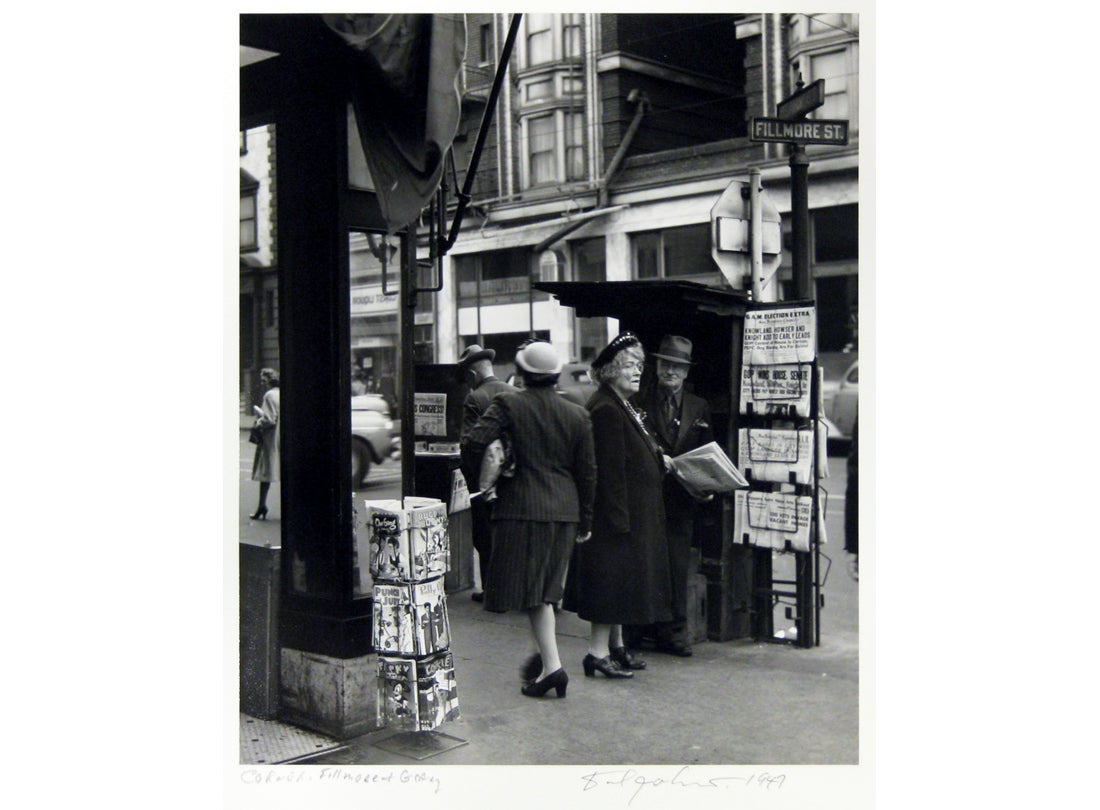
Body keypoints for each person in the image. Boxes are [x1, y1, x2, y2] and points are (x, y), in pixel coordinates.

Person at [461, 340, 596, 699]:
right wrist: (584, 522)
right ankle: (548, 663)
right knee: (545, 591)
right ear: (554, 375)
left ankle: (551, 668)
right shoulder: (577, 413)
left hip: (522, 509)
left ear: (520, 373)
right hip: (564, 512)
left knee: (536, 593)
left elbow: (474, 442)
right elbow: (587, 474)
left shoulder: (509, 403)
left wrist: (503, 459)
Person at [563, 332, 673, 680]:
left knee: (621, 584)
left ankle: (617, 646)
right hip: (617, 517)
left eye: (640, 365)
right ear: (611, 370)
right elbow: (608, 472)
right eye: (629, 365)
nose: (638, 371)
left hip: (630, 514)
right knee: (611, 586)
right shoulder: (607, 409)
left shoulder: (619, 404)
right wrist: (617, 520)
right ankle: (597, 653)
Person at [630, 335, 714, 657]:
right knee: (644, 566)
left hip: (682, 501)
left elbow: (709, 453)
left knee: (677, 569)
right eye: (667, 364)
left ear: (687, 372)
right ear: (657, 366)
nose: (671, 372)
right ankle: (635, 631)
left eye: (678, 367)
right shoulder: (639, 401)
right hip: (647, 499)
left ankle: (673, 633)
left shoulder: (698, 406)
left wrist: (706, 488)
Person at [457, 344, 518, 602]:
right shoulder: (516, 393)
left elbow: (469, 444)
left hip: (485, 480)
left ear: (472, 375)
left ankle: (491, 590)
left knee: (485, 534)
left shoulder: (475, 398)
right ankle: (513, 588)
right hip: (514, 478)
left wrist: (473, 482)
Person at [250, 367, 280, 520]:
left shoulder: (269, 395)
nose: (262, 383)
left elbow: (269, 419)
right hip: (281, 439)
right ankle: (262, 506)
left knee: (265, 472)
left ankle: (262, 505)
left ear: (270, 380)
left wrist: (259, 421)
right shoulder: (280, 393)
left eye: (263, 380)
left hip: (270, 439)